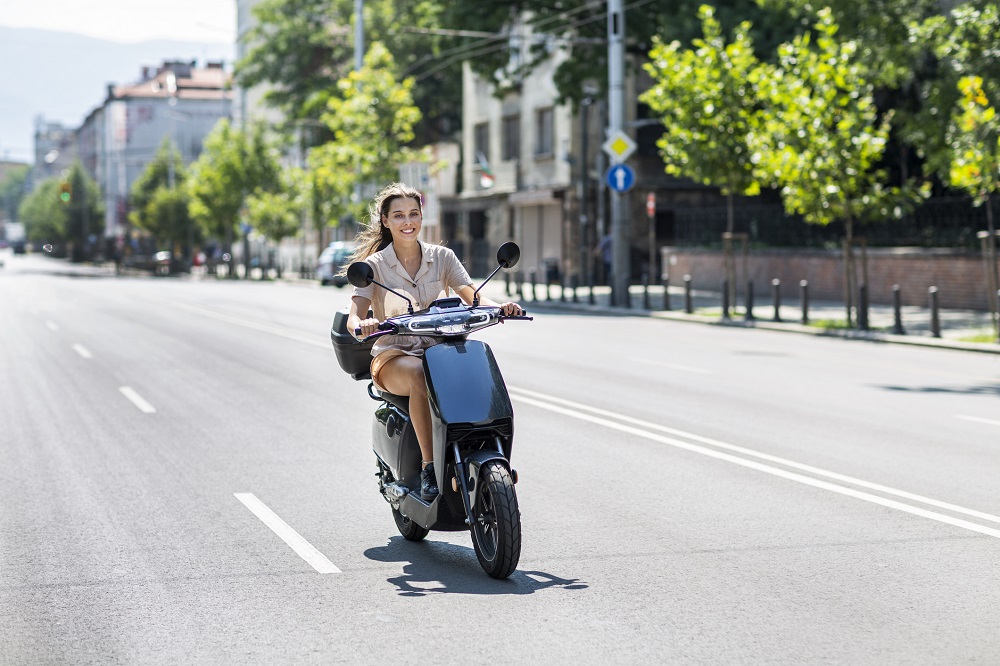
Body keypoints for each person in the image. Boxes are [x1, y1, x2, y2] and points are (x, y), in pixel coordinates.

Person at [345, 182, 523, 500]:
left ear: (422, 216)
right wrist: (364, 324)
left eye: (413, 213)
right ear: (385, 221)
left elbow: (473, 296)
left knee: (476, 365)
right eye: (398, 215)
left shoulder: (442, 258)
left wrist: (500, 307)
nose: (407, 221)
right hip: (394, 356)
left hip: (440, 351)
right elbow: (354, 317)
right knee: (418, 373)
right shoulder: (374, 267)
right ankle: (429, 467)